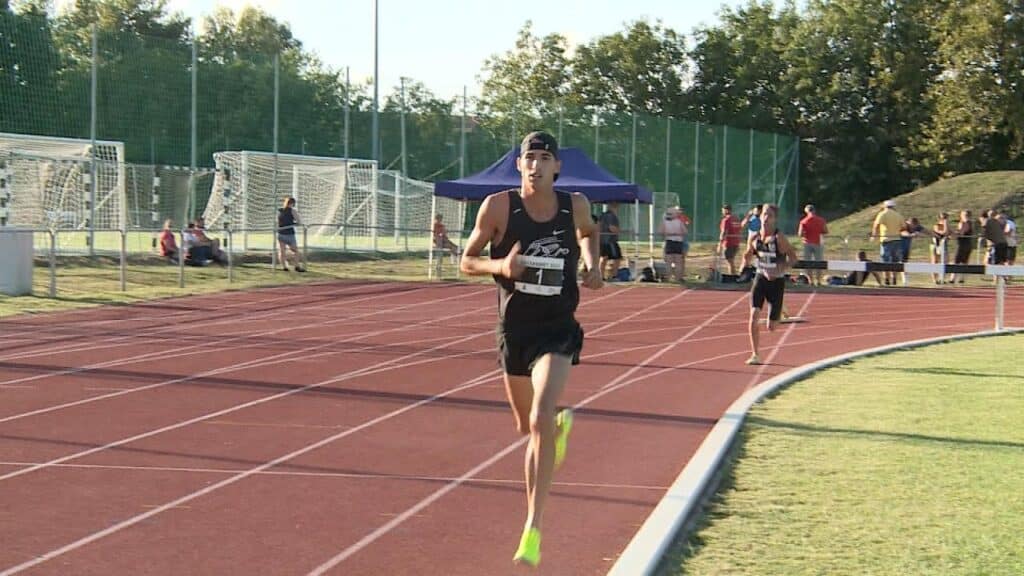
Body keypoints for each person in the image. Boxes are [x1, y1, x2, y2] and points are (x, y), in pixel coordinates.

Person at [459, 131, 602, 567]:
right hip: (515, 330)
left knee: (539, 416)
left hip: (556, 328)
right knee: (527, 427)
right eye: (530, 158)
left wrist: (592, 263)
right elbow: (466, 260)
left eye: (544, 158)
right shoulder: (498, 207)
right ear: (518, 165)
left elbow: (588, 232)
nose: (536, 165)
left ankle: (533, 528)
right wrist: (500, 265)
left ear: (558, 167)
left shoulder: (574, 205)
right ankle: (555, 429)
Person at [742, 203, 797, 365]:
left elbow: (793, 258)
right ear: (760, 217)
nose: (766, 218)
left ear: (775, 219)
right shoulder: (754, 238)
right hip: (760, 279)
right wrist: (746, 259)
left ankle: (780, 310)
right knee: (753, 315)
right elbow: (748, 255)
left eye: (770, 215)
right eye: (764, 214)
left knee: (771, 327)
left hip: (776, 282)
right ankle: (755, 354)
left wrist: (780, 268)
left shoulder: (779, 238)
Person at [871, 199, 904, 285]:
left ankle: (886, 278)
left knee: (885, 260)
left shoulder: (883, 214)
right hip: (897, 239)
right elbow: (903, 227)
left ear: (885, 206)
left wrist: (874, 235)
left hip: (886, 239)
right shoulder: (898, 215)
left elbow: (876, 225)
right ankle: (894, 277)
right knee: (895, 260)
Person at [797, 204, 829, 286]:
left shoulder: (804, 221)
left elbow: (800, 234)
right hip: (818, 242)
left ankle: (810, 280)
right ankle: (818, 280)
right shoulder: (821, 220)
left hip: (807, 243)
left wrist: (806, 233)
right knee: (819, 262)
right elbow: (825, 231)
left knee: (807, 262)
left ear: (806, 211)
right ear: (814, 210)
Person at [658, 206, 688, 284]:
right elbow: (685, 231)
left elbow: (660, 231)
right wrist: (677, 233)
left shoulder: (664, 222)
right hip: (678, 242)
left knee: (669, 262)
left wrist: (667, 233)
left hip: (669, 242)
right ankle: (678, 278)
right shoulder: (679, 222)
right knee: (678, 262)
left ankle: (669, 278)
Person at [277, 197, 306, 272]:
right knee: (295, 251)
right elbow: (299, 222)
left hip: (281, 233)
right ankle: (296, 266)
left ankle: (284, 267)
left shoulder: (280, 210)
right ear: (292, 203)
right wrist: (294, 223)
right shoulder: (292, 211)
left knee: (282, 251)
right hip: (289, 234)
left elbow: (278, 222)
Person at [948, 209, 974, 283]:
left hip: (962, 245)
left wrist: (952, 233)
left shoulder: (964, 223)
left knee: (956, 261)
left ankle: (953, 279)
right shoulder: (969, 223)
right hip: (968, 244)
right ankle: (962, 278)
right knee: (964, 262)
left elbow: (960, 233)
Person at [598, 202, 622, 281]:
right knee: (617, 258)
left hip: (602, 239)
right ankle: (613, 276)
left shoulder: (603, 215)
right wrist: (621, 231)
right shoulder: (611, 216)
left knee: (603, 257)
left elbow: (599, 226)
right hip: (610, 240)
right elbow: (612, 228)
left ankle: (601, 276)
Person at [718, 203, 743, 276]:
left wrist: (720, 244)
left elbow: (724, 232)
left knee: (729, 261)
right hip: (736, 242)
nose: (722, 212)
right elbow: (739, 229)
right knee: (731, 260)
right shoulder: (736, 219)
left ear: (726, 210)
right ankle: (733, 275)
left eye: (723, 210)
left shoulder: (726, 220)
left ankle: (733, 276)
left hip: (728, 243)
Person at [930, 212, 950, 284]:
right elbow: (944, 233)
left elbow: (952, 234)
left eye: (946, 218)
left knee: (945, 262)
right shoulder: (936, 226)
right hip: (936, 245)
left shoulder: (947, 226)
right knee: (935, 262)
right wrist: (945, 224)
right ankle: (935, 280)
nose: (945, 219)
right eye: (943, 218)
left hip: (943, 245)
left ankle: (942, 278)